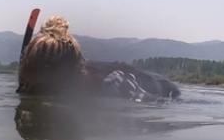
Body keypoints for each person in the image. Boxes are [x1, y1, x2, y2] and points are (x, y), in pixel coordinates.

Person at [17, 13, 179, 101]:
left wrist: (139, 98)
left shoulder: (112, 83)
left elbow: (165, 99)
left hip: (165, 90)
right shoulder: (30, 85)